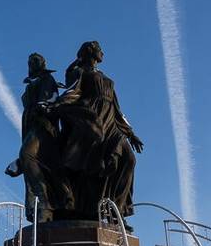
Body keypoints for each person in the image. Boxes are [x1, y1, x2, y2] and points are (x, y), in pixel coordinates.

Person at [50, 41, 143, 220]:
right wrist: (56, 105)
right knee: (98, 165)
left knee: (129, 160)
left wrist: (131, 133)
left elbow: (117, 108)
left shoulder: (104, 77)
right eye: (100, 50)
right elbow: (71, 92)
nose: (103, 53)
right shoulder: (80, 72)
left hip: (111, 123)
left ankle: (117, 209)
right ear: (90, 52)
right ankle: (95, 209)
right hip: (93, 119)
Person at [5, 53, 66, 222]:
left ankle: (45, 204)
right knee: (30, 161)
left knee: (27, 155)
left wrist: (44, 105)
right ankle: (35, 207)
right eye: (30, 62)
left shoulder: (47, 79)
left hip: (43, 125)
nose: (33, 64)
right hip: (30, 124)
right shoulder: (32, 82)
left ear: (43, 63)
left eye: (36, 61)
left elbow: (51, 100)